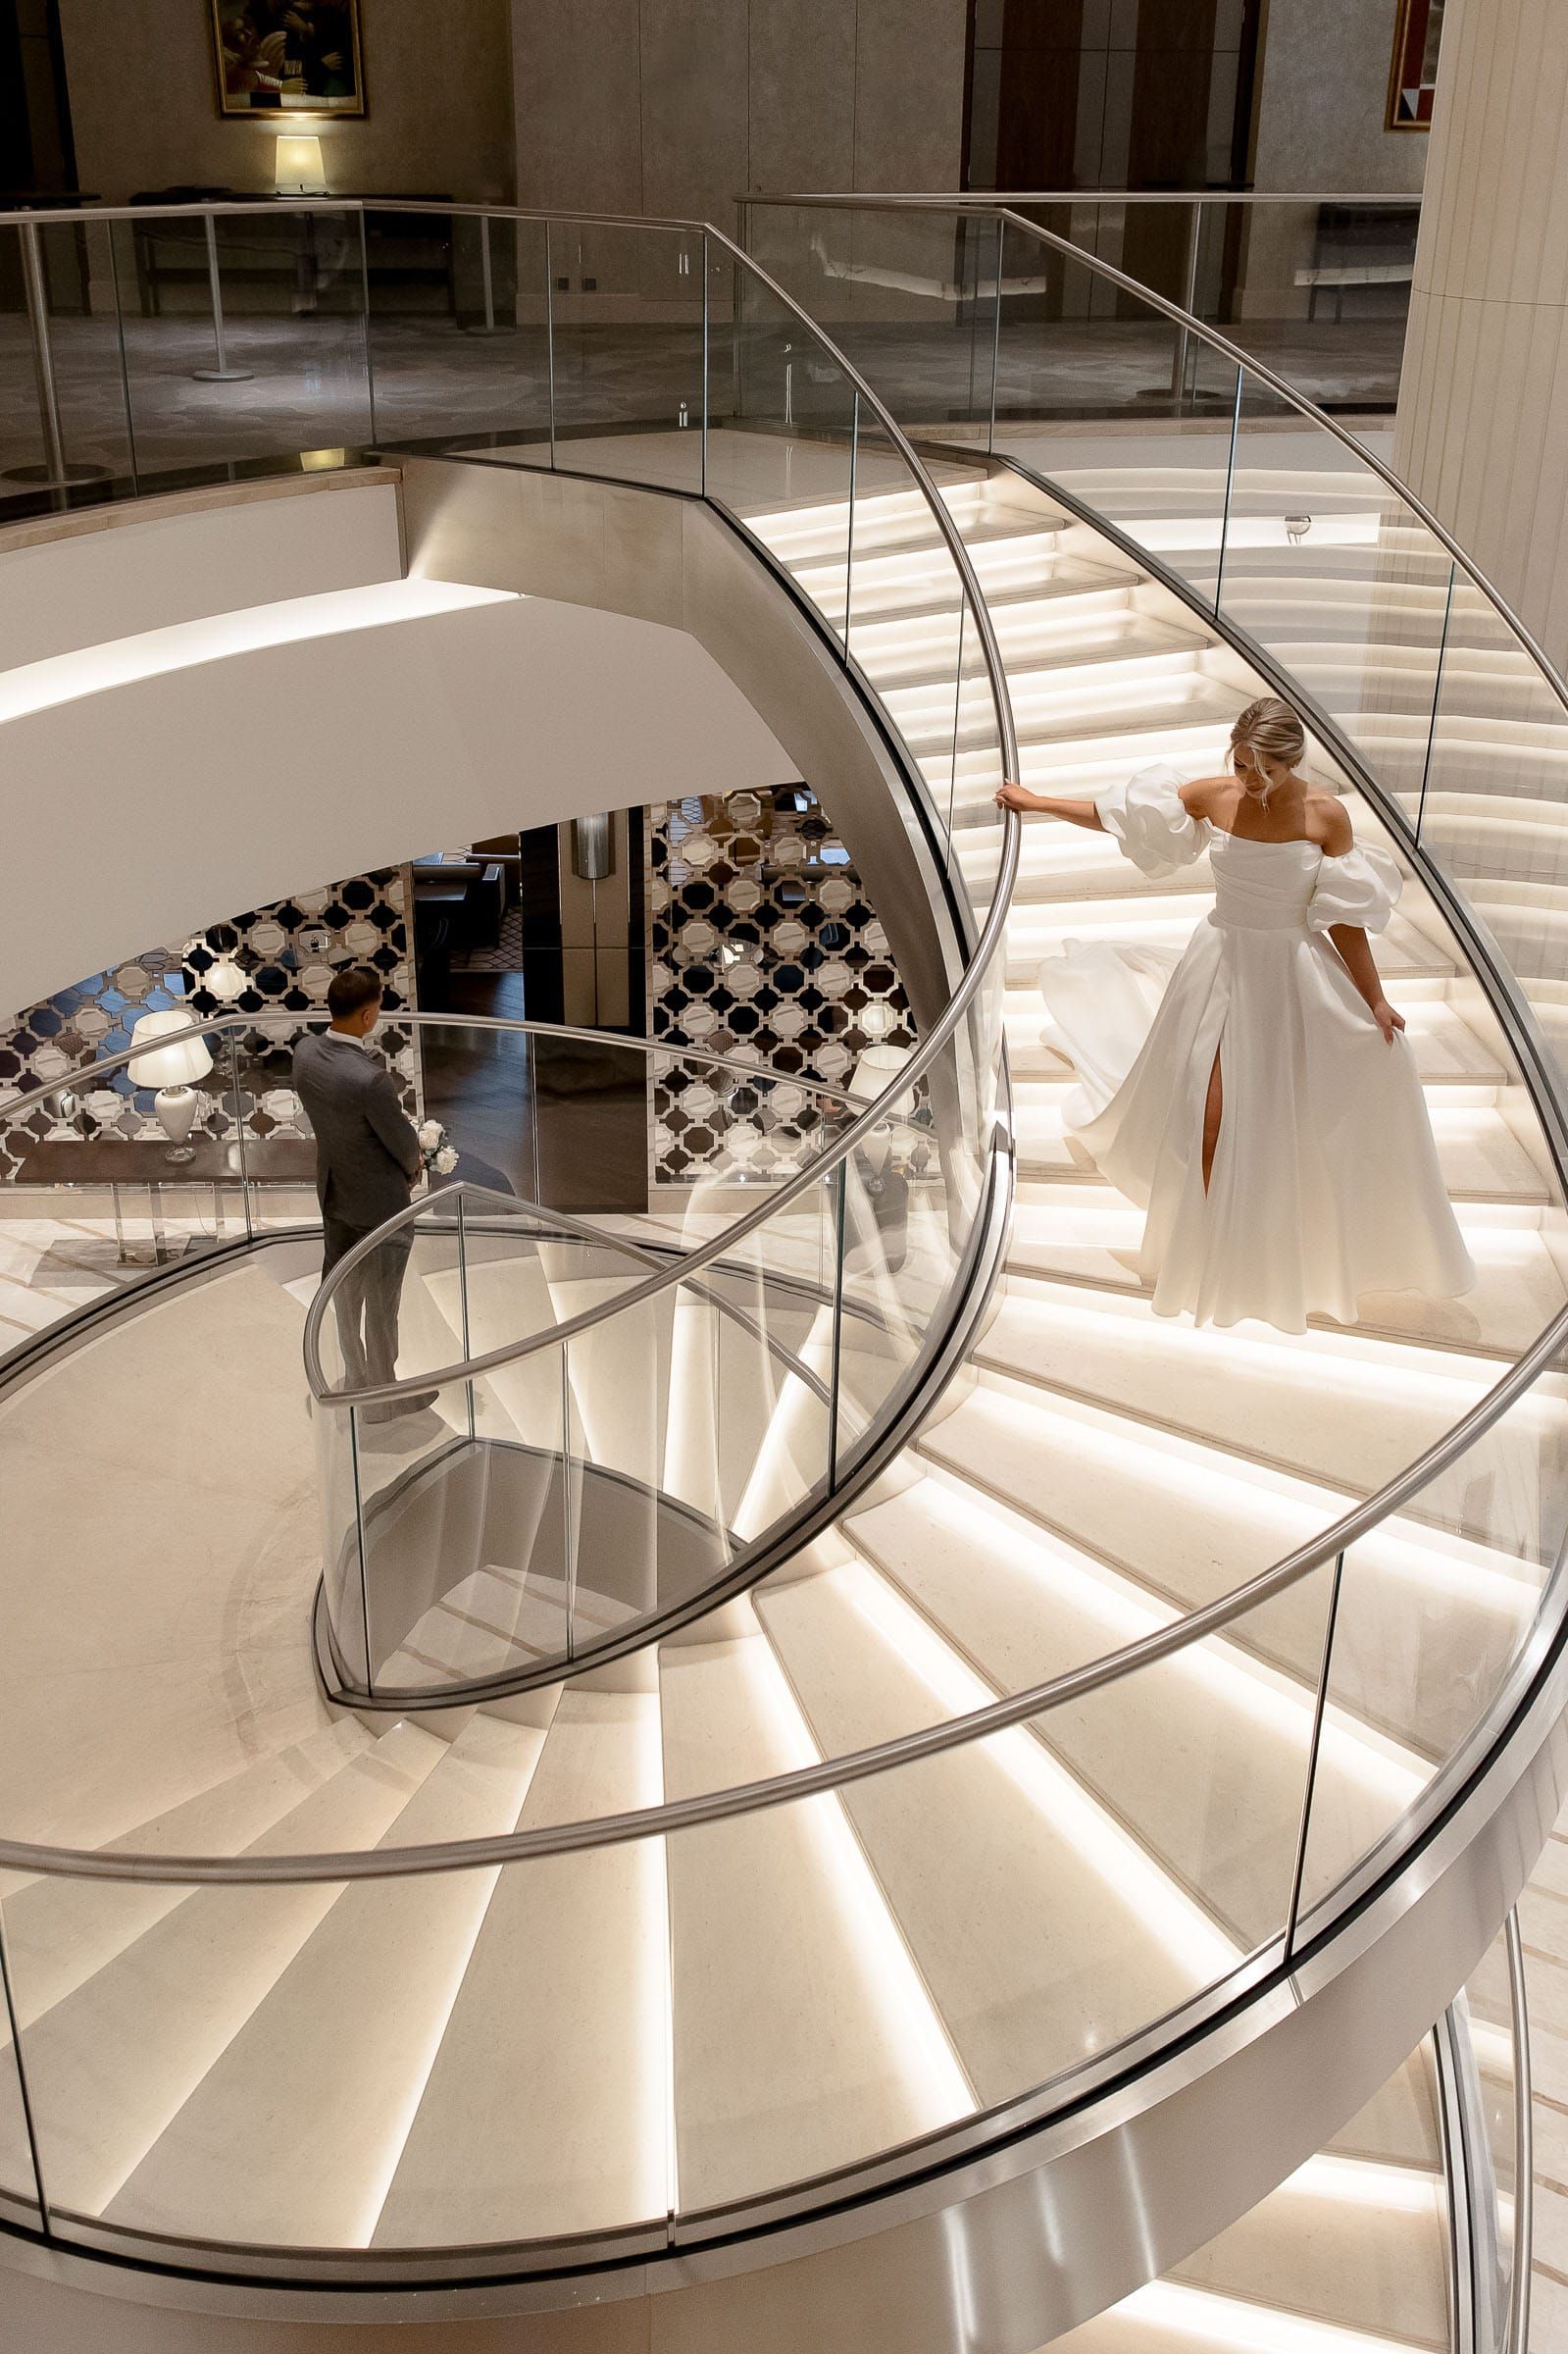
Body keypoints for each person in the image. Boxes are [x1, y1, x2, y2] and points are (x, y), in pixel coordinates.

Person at [995, 696, 1477, 1333]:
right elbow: (1120, 816)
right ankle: (1203, 1252)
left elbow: (1342, 920)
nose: (1251, 782)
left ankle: (1273, 1252)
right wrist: (1037, 802)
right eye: (1242, 765)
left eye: (1264, 770)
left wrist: (1374, 1000)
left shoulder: (1324, 815)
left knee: (1283, 1118)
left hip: (1290, 978)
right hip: (1219, 965)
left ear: (1291, 762)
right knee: (1208, 1111)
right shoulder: (1212, 795)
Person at [293, 968, 435, 1416]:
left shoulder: (304, 1053)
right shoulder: (370, 1079)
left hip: (334, 1192)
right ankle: (382, 1396)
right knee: (382, 1301)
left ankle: (354, 1377)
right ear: (369, 1015)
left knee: (342, 1290)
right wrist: (416, 1162)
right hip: (380, 1209)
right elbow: (403, 1145)